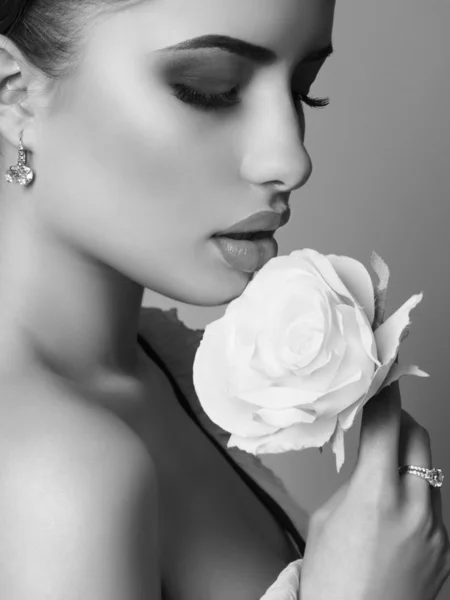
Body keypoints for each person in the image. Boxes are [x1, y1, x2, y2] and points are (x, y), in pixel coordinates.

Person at [0, 1, 448, 599]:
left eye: (303, 91)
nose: (292, 160)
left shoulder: (156, 361)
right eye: (208, 89)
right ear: (15, 93)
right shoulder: (54, 472)